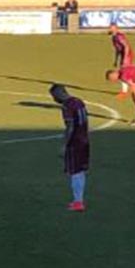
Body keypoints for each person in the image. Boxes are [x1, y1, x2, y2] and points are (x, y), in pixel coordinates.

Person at [50, 84, 89, 212]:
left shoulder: (67, 106)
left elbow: (70, 126)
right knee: (81, 170)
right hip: (84, 140)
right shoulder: (79, 101)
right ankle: (79, 199)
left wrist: (65, 145)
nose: (54, 99)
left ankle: (78, 202)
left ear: (59, 94)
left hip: (75, 142)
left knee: (74, 172)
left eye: (54, 96)